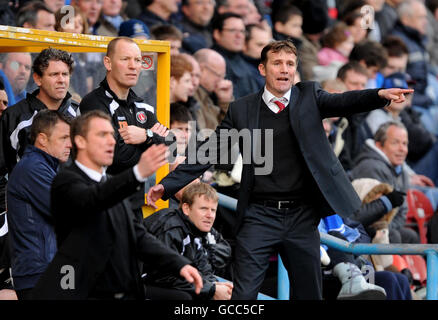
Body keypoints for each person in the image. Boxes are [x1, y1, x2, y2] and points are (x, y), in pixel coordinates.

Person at [147, 40, 412, 300]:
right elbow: (210, 150)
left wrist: (378, 97)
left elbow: (343, 101)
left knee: (309, 294)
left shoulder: (309, 96)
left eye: (290, 64)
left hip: (301, 216)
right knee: (243, 294)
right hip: (259, 215)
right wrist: (167, 185)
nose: (284, 69)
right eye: (277, 63)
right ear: (263, 69)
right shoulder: (242, 109)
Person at [32, 110, 202, 299]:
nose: (111, 141)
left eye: (112, 136)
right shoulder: (65, 181)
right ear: (80, 141)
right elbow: (93, 199)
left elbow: (138, 236)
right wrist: (137, 173)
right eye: (102, 135)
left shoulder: (112, 184)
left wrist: (180, 264)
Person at [79, 36, 170, 212]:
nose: (133, 66)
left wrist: (146, 135)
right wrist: (152, 145)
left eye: (137, 60)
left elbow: (172, 146)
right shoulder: (93, 103)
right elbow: (115, 156)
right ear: (108, 63)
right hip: (105, 204)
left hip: (136, 204)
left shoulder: (142, 105)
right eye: (125, 59)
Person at [7, 110, 72, 300]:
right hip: (40, 273)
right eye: (63, 138)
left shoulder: (47, 167)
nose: (70, 144)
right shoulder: (33, 168)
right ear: (42, 139)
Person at [144, 182, 232, 300]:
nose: (209, 215)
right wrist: (211, 289)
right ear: (186, 208)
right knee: (184, 297)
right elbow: (163, 276)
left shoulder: (196, 228)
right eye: (204, 209)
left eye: (213, 210)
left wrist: (214, 285)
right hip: (134, 282)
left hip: (159, 281)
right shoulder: (170, 228)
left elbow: (202, 268)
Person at [0, 48, 79, 176]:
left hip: (74, 193)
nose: (61, 80)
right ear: (37, 79)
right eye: (54, 74)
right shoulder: (14, 116)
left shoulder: (79, 112)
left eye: (65, 74)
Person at [350, 121, 422, 244]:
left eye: (405, 144)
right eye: (395, 143)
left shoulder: (402, 171)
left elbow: (402, 211)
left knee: (411, 236)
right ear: (379, 146)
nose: (402, 149)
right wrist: (389, 229)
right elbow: (373, 217)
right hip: (359, 228)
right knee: (394, 236)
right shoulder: (371, 167)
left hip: (387, 227)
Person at [211, 13, 260, 99]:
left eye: (242, 31)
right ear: (217, 34)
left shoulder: (243, 61)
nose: (239, 35)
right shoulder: (213, 61)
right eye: (232, 30)